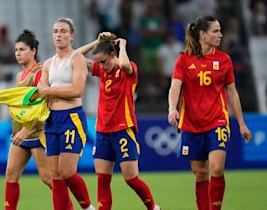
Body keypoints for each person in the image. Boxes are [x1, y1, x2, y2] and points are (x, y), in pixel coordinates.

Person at [168, 15, 252, 210]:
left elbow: (232, 94)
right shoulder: (183, 60)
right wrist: (172, 108)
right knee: (200, 173)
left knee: (216, 168)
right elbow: (175, 87)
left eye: (220, 30)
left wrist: (241, 123)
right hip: (190, 124)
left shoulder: (224, 60)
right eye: (215, 31)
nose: (220, 35)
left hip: (217, 121)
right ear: (202, 34)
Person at [76, 32, 160, 210]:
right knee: (102, 179)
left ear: (113, 55)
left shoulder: (128, 70)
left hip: (123, 130)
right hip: (102, 131)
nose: (101, 66)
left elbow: (123, 63)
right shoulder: (101, 70)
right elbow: (74, 58)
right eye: (98, 62)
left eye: (104, 61)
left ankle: (153, 207)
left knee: (131, 179)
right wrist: (95, 43)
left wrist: (122, 45)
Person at [38, 18, 95, 210]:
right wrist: (44, 90)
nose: (58, 35)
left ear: (72, 36)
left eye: (63, 31)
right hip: (52, 120)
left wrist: (49, 91)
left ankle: (87, 207)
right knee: (55, 175)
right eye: (55, 31)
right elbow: (41, 88)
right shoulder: (47, 64)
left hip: (72, 118)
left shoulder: (77, 59)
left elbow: (77, 90)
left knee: (67, 171)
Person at [3, 30, 52, 210]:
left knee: (48, 178)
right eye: (16, 50)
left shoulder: (39, 73)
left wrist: (25, 130)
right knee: (10, 174)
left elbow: (42, 106)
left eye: (22, 49)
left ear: (33, 51)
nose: (18, 53)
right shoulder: (20, 75)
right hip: (20, 133)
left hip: (37, 133)